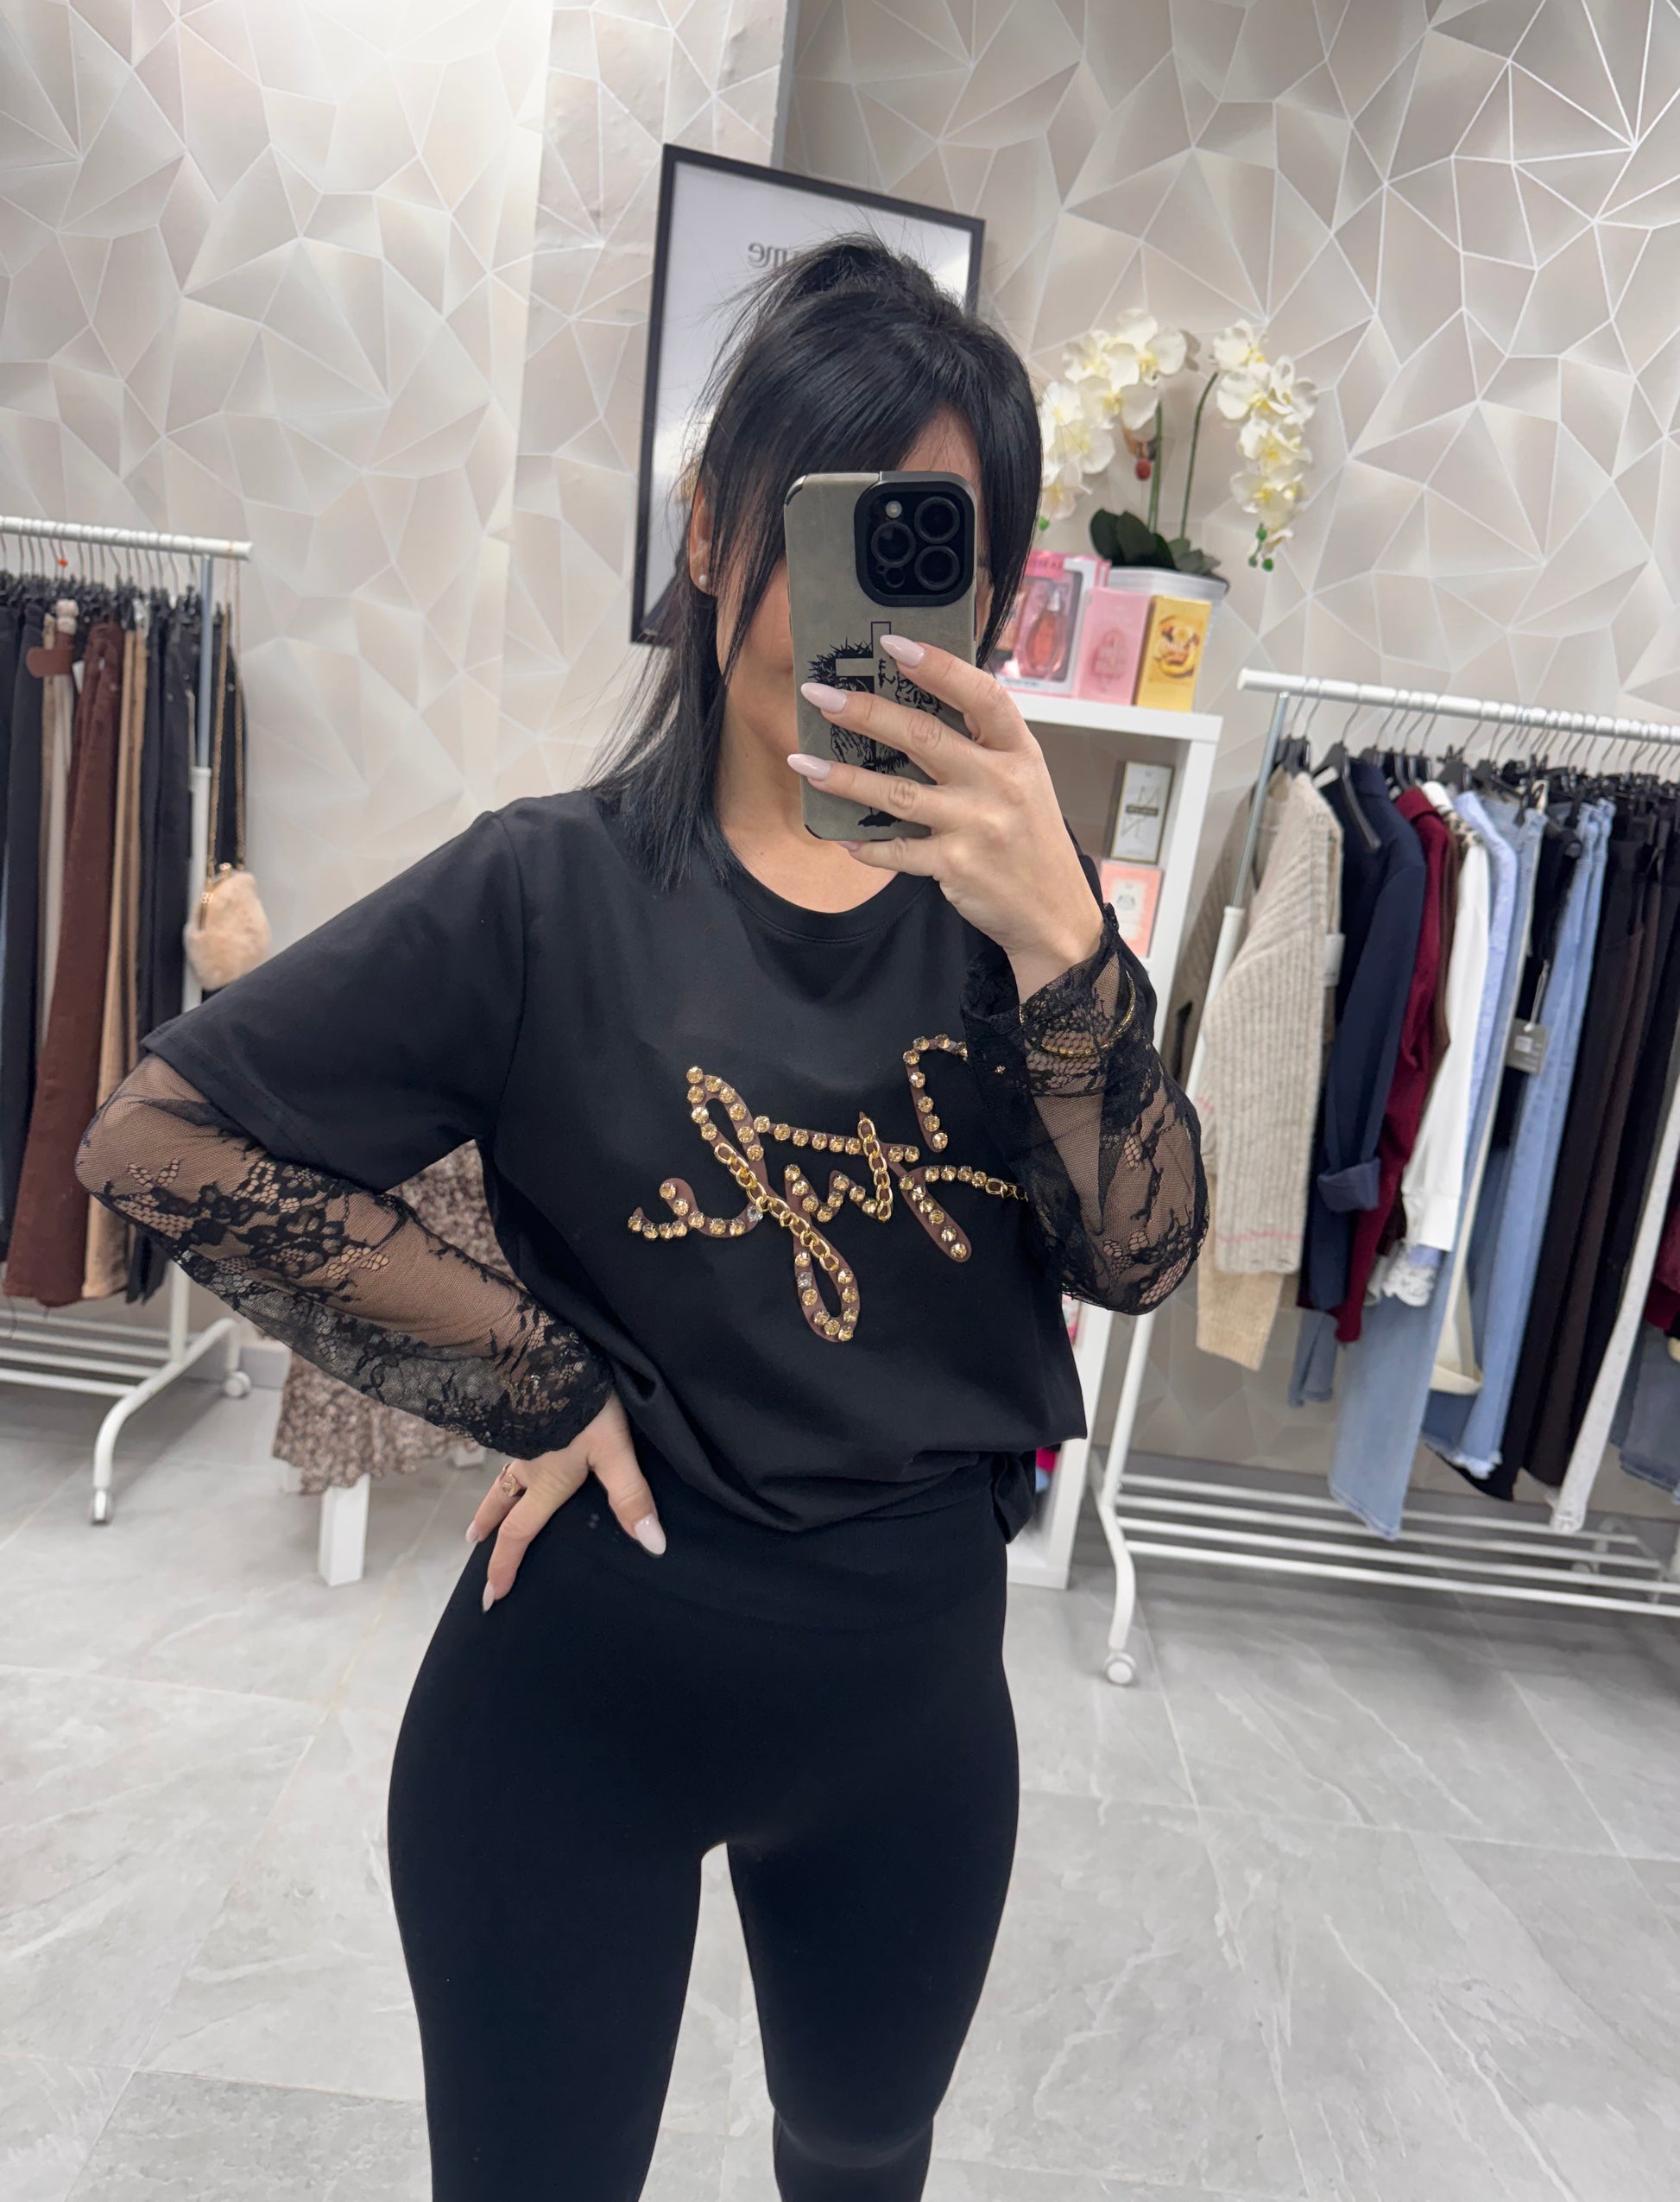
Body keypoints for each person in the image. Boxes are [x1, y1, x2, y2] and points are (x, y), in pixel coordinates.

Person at [76, 236, 1206, 2202]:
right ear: (708, 528)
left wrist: (1063, 935)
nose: (865, 591)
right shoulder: (545, 891)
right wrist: (530, 1375)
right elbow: (160, 1139)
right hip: (571, 1702)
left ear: (990, 593)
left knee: (861, 2150)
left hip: (911, 1714)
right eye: (828, 513)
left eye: (931, 540)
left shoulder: (1025, 937)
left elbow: (1142, 1252)